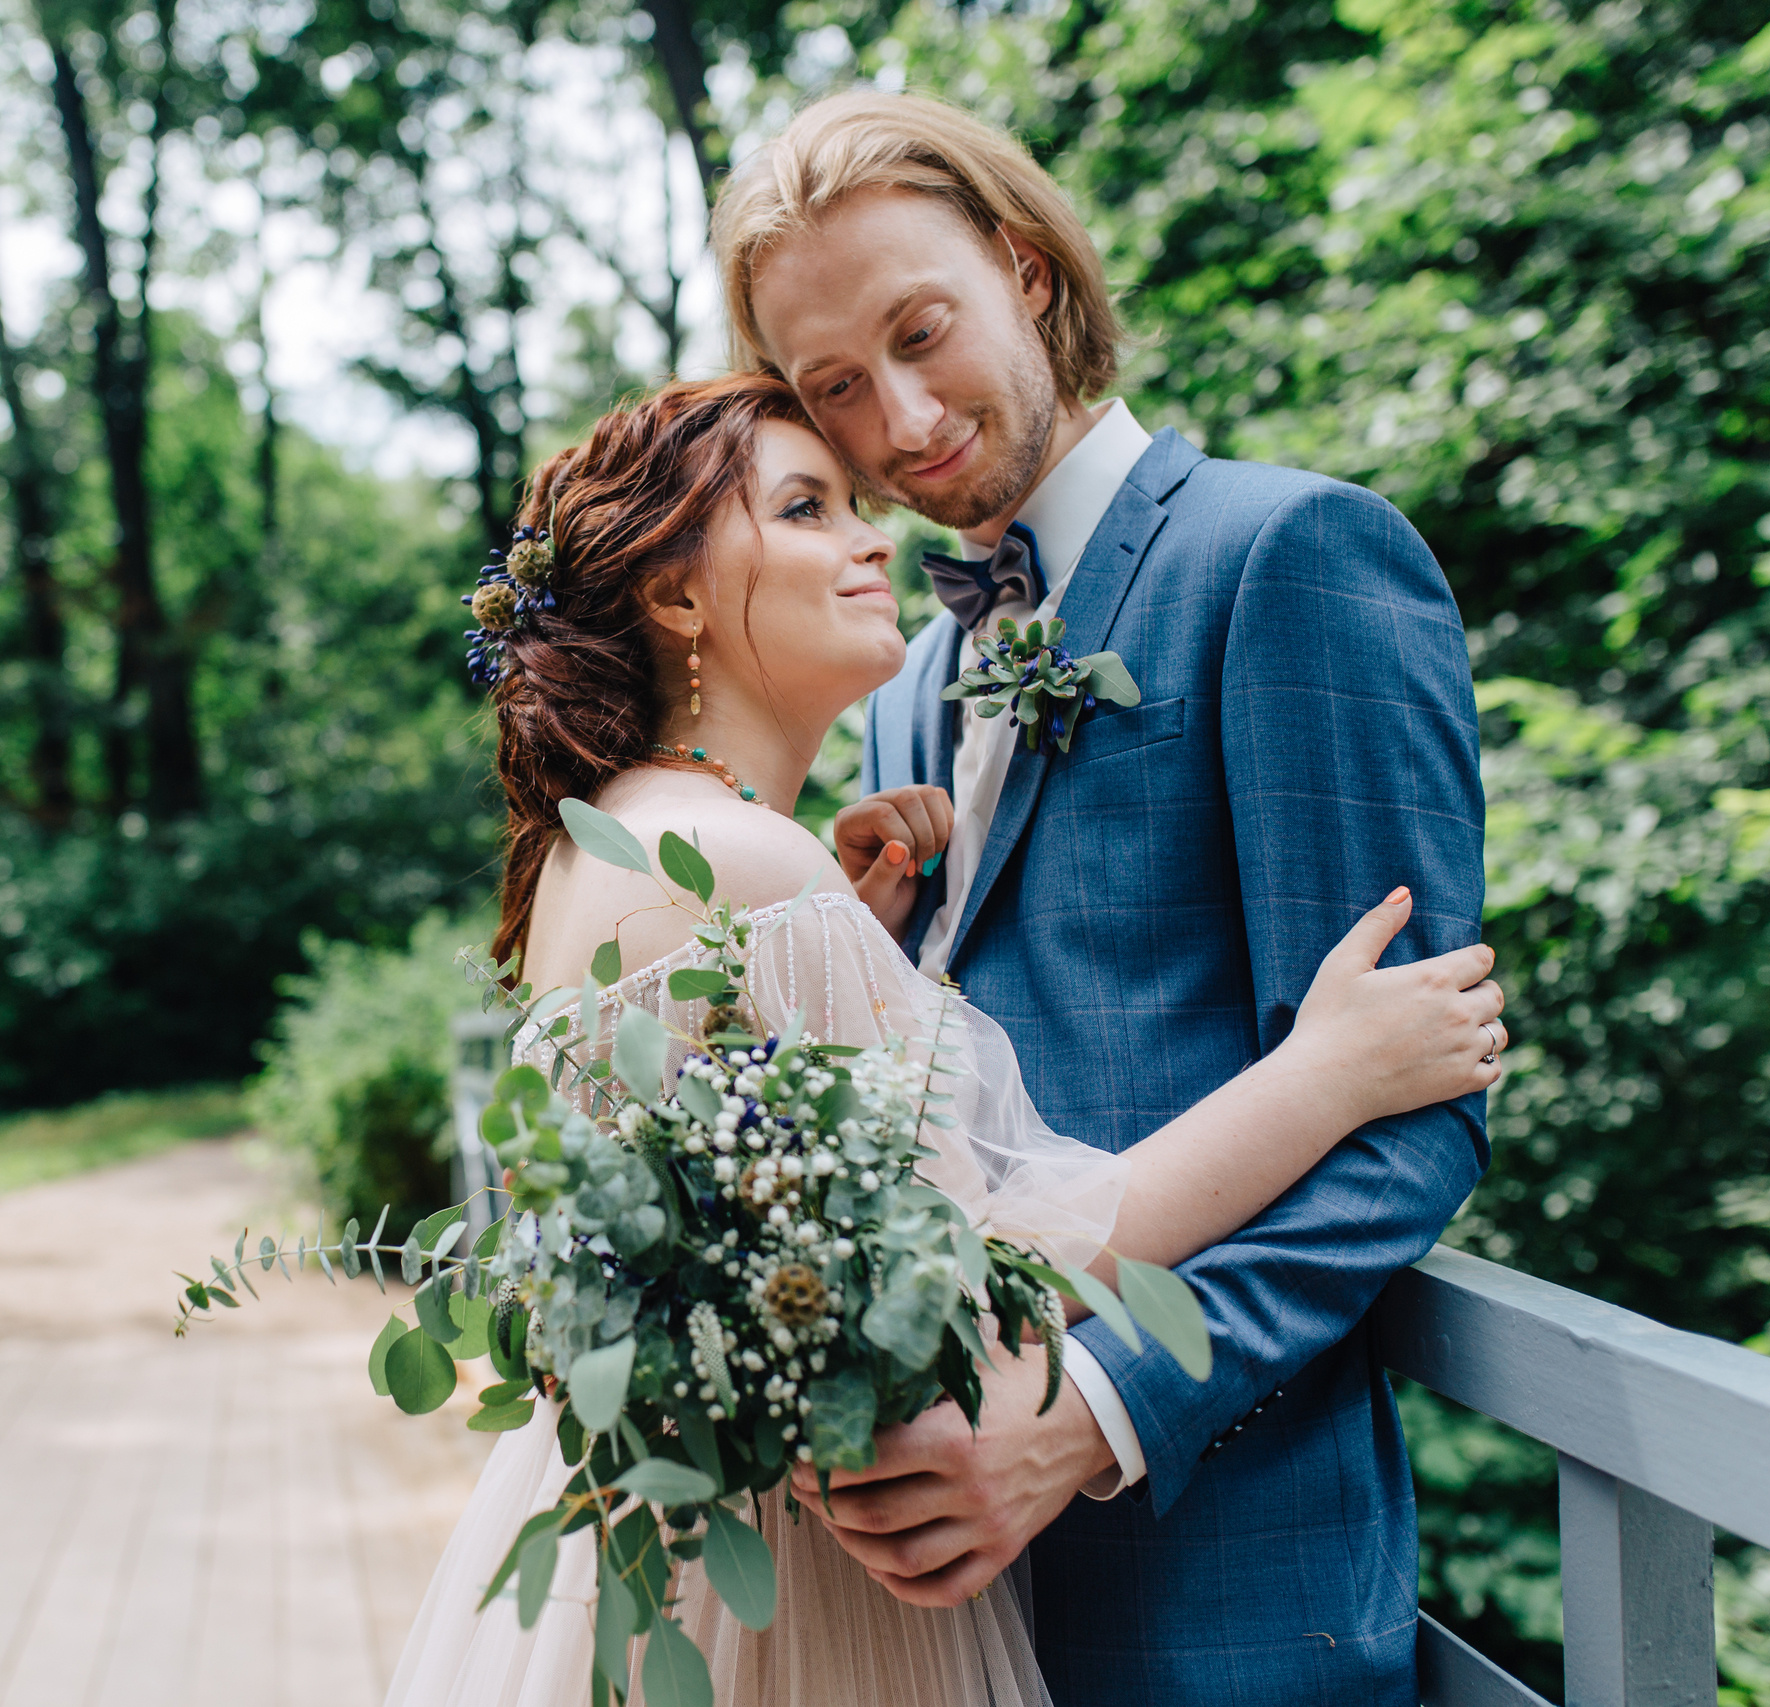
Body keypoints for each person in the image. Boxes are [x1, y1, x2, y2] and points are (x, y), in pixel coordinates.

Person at [382, 372, 1502, 1707]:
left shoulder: (623, 840)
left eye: (856, 503)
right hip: (812, 1619)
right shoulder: (753, 867)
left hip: (676, 1563)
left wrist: (861, 946)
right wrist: (1327, 1076)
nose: (871, 539)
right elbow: (978, 1279)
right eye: (805, 509)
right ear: (676, 596)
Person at [708, 91, 1490, 1705]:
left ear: (1029, 272)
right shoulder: (912, 685)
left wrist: (1091, 1413)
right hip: (929, 1604)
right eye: (833, 387)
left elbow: (1412, 1113)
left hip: (1223, 1578)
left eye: (924, 332)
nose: (900, 420)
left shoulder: (1299, 556)